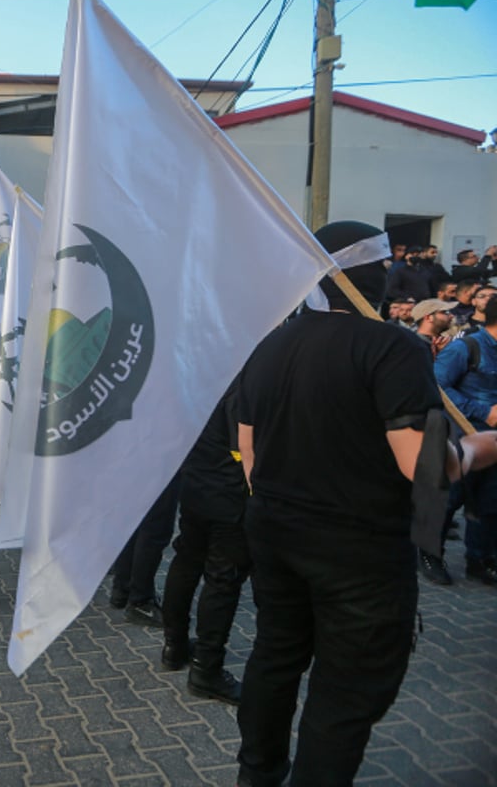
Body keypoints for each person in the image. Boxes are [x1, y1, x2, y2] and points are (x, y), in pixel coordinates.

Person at [234, 221, 497, 787]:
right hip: (358, 553)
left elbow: (248, 451)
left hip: (276, 533)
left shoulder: (271, 342)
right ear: (373, 275)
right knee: (345, 690)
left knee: (275, 656)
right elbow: (424, 468)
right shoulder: (392, 347)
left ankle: (257, 775)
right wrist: (477, 448)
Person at [160, 380, 249, 705]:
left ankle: (175, 646)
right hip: (228, 491)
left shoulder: (203, 369)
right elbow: (245, 443)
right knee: (222, 579)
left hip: (196, 483)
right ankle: (207, 669)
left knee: (187, 561)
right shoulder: (241, 379)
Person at [434, 314, 497, 586]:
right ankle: (431, 555)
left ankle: (479, 559)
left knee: (490, 502)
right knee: (450, 499)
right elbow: (437, 387)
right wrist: (483, 411)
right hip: (463, 436)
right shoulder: (466, 347)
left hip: (493, 443)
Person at [109, 475, 180, 626]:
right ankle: (140, 600)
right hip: (162, 462)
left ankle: (122, 588)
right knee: (156, 527)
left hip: (137, 461)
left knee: (132, 517)